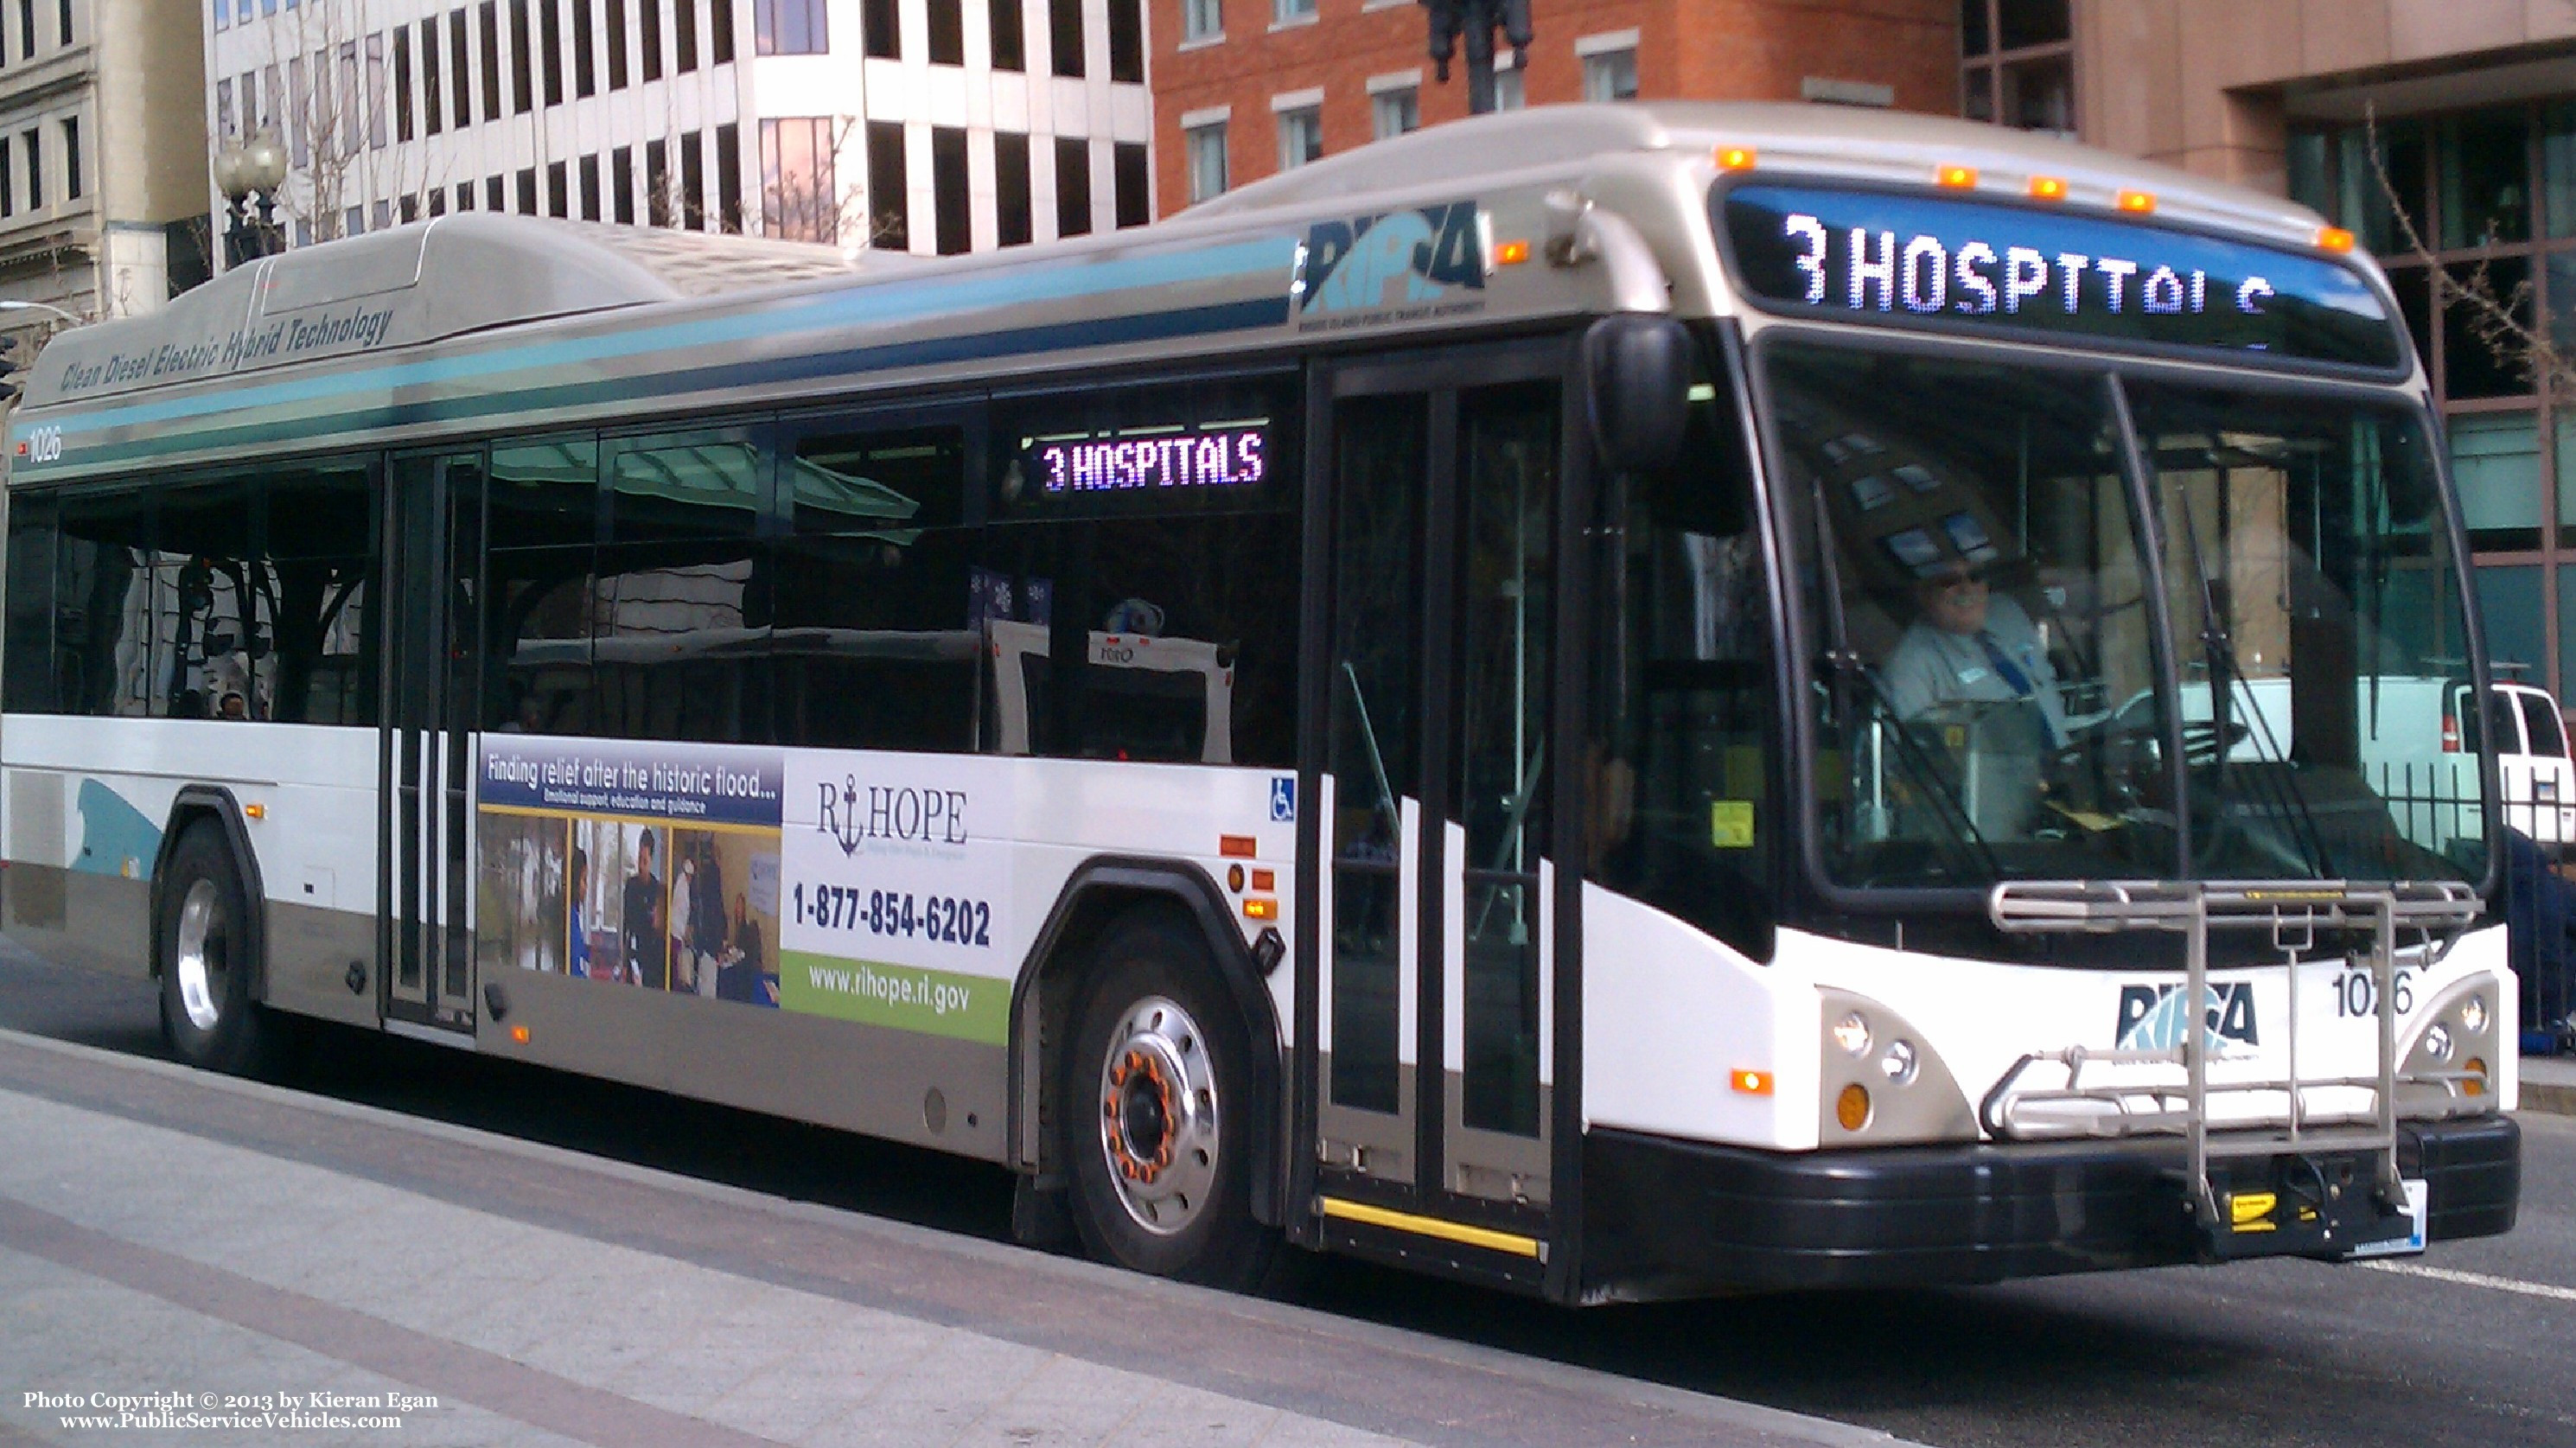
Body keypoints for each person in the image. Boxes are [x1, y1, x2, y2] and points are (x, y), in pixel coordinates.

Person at [1878, 563, 2068, 744]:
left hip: (2067, 766)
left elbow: (2046, 686)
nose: (1966, 589)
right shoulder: (1909, 669)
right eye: (1950, 581)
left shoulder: (2008, 614)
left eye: (1975, 577)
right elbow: (1917, 758)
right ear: (1924, 593)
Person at [623, 830, 666, 989]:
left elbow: (658, 929)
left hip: (651, 960)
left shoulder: (656, 890)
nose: (641, 866)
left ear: (651, 861)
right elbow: (626, 923)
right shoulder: (631, 886)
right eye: (639, 860)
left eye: (645, 861)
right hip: (634, 954)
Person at [566, 848, 591, 979]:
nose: (586, 887)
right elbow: (574, 970)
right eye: (584, 880)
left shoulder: (573, 914)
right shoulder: (569, 916)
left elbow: (581, 949)